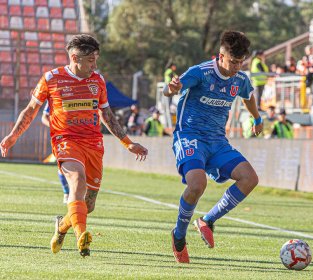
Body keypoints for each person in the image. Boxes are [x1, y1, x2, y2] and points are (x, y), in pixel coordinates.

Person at [0, 34, 148, 257]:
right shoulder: (51, 78)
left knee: (87, 205)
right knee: (77, 181)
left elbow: (106, 113)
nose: (95, 65)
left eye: (96, 60)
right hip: (65, 141)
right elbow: (31, 110)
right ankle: (82, 238)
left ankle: (61, 226)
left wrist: (128, 143)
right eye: (91, 60)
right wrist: (13, 136)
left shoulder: (97, 80)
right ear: (74, 57)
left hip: (94, 144)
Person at [163, 30, 263, 263]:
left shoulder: (240, 79)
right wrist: (172, 87)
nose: (237, 66)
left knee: (250, 178)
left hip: (218, 141)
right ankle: (179, 235)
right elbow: (170, 89)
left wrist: (257, 118)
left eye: (241, 62)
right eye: (233, 61)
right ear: (220, 56)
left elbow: (248, 95)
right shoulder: (200, 73)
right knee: (197, 184)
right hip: (190, 136)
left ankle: (207, 220)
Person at [41, 101, 70, 204]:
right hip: (60, 137)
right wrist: (55, 126)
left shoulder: (79, 95)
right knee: (62, 166)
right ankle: (66, 193)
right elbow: (44, 117)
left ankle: (78, 194)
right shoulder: (53, 96)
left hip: (79, 136)